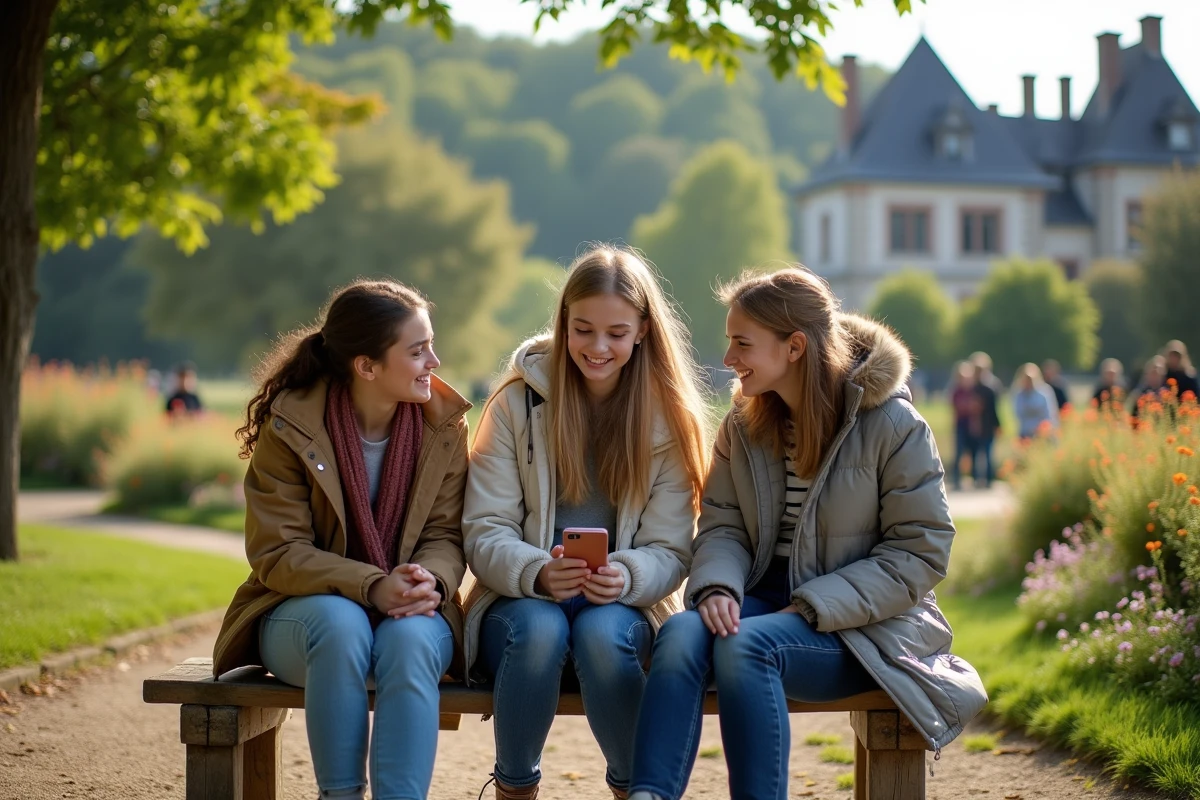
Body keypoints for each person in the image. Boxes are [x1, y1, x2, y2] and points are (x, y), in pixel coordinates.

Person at [627, 267, 986, 800]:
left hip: (866, 630)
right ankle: (649, 794)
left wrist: (815, 605)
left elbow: (921, 552)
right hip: (764, 601)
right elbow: (722, 524)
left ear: (794, 347)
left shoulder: (894, 425)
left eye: (742, 343)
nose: (728, 359)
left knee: (747, 647)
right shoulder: (743, 424)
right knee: (681, 633)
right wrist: (720, 587)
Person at [462, 246, 710, 800]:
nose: (598, 348)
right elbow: (484, 529)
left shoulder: (668, 418)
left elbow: (672, 547)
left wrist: (625, 576)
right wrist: (538, 573)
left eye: (616, 333)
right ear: (564, 323)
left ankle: (637, 791)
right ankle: (514, 789)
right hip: (519, 602)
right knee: (540, 628)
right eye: (583, 329)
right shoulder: (514, 405)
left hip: (625, 605)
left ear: (644, 330)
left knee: (601, 633)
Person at [212, 280, 472, 800]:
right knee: (342, 624)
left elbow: (445, 533)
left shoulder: (444, 426)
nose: (434, 362)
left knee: (412, 637)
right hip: (301, 615)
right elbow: (278, 553)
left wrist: (429, 582)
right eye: (418, 351)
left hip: (412, 611)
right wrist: (373, 585)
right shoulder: (291, 426)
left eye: (432, 345)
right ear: (367, 366)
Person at [969, 352, 1002, 488]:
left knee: (985, 454)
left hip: (986, 425)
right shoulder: (971, 388)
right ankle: (979, 479)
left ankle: (985, 479)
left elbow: (993, 409)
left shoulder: (989, 389)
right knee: (977, 454)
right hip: (977, 425)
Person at [949, 361, 981, 490]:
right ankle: (957, 479)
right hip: (961, 425)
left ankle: (975, 478)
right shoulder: (957, 391)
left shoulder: (975, 391)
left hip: (972, 426)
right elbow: (957, 407)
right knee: (959, 453)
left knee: (974, 453)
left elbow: (977, 408)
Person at [1012, 363, 1059, 442]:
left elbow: (1050, 413)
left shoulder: (1044, 392)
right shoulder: (1019, 394)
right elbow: (1018, 413)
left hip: (1043, 432)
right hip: (1025, 432)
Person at [1131, 355, 1168, 420]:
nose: (1155, 376)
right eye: (1153, 373)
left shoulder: (1168, 393)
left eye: (1158, 373)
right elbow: (1134, 416)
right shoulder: (1139, 393)